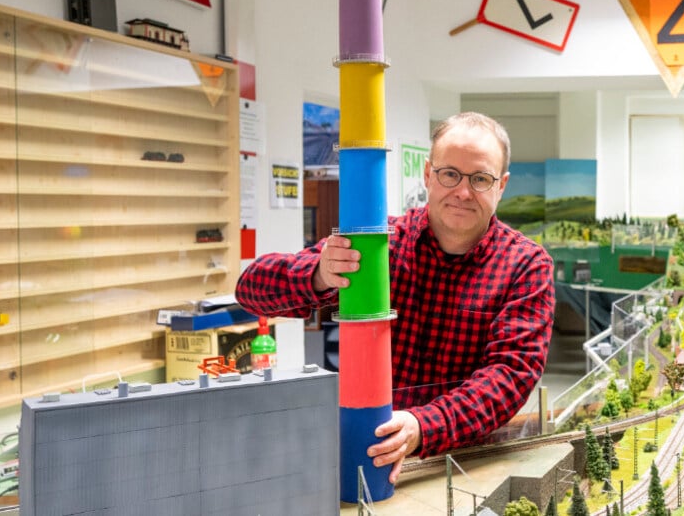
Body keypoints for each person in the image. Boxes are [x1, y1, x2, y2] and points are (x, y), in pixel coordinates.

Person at [235, 111, 555, 484]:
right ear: (427, 174)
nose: (463, 192)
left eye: (480, 179)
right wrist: (319, 275)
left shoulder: (526, 265)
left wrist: (423, 426)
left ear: (501, 185)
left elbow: (509, 375)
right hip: (363, 453)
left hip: (463, 463)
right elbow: (250, 290)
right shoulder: (378, 246)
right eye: (450, 174)